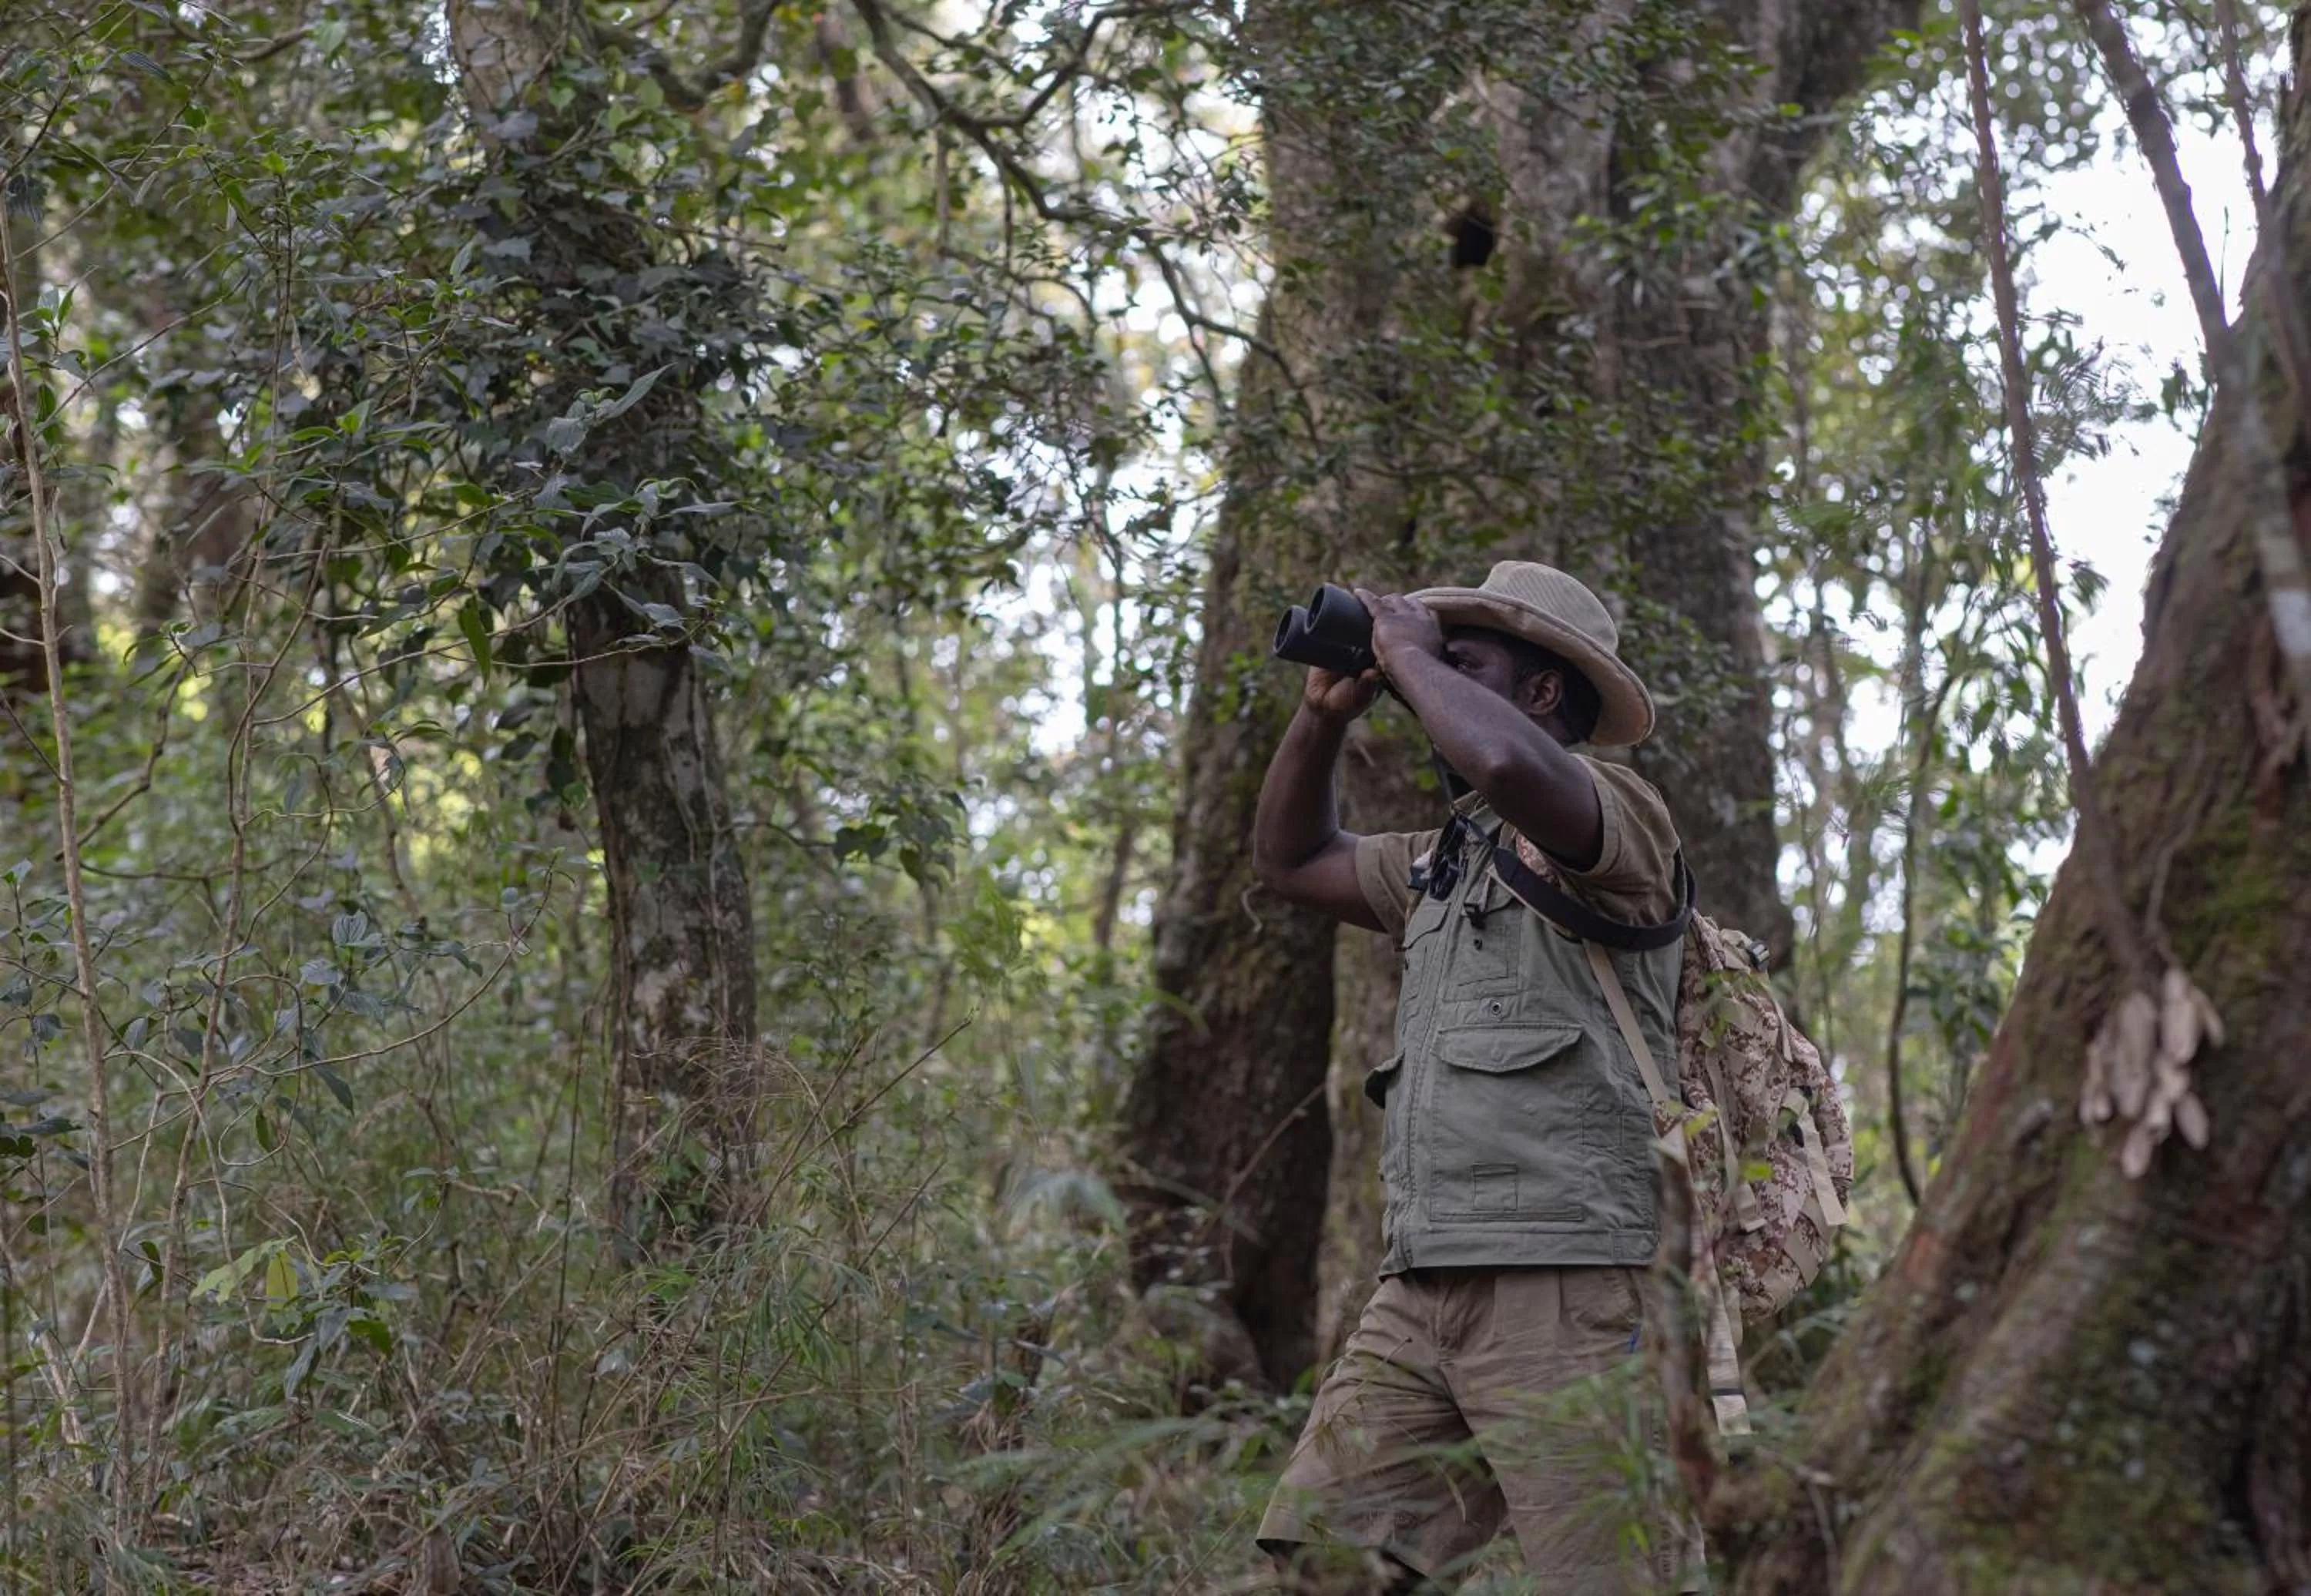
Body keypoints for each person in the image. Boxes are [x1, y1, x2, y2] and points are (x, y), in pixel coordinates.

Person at [1251, 560, 1696, 1594]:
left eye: (1465, 663)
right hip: (1422, 1284)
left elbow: (1502, 761)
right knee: (1326, 1566)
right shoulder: (1443, 860)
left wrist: (1409, 651)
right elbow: (1291, 860)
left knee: (1615, 1581)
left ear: (1541, 691)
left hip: (1573, 1282)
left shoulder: (1618, 817)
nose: (1424, 678)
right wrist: (1321, 717)